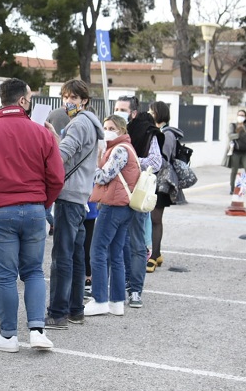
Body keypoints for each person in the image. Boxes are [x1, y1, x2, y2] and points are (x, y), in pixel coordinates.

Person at [0, 78, 64, 353]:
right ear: (22, 100)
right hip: (33, 208)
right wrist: (43, 204)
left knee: (5, 275)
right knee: (33, 272)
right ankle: (36, 330)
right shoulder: (42, 133)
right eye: (29, 98)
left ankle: (8, 335)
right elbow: (56, 176)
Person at [45, 79, 103, 330]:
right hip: (81, 195)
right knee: (78, 255)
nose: (68, 102)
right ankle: (75, 309)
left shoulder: (79, 123)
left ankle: (57, 312)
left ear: (84, 100)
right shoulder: (88, 123)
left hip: (69, 194)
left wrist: (51, 140)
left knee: (62, 256)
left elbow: (61, 155)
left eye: (73, 98)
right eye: (65, 97)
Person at [85, 115, 141, 317]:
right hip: (125, 206)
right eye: (105, 127)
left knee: (97, 250)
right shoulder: (129, 148)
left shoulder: (118, 150)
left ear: (122, 131)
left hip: (113, 206)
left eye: (112, 128)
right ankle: (117, 301)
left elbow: (103, 176)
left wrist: (94, 164)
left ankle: (100, 299)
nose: (107, 130)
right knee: (116, 253)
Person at [114, 96, 163, 306]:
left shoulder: (145, 131)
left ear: (133, 113)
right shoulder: (112, 130)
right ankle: (121, 282)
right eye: (116, 108)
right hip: (115, 194)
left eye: (122, 109)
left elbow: (156, 161)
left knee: (136, 243)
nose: (118, 112)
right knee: (117, 242)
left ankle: (135, 290)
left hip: (137, 194)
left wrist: (129, 159)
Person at [147, 101, 185, 273]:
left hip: (161, 182)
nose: (149, 112)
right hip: (153, 180)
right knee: (152, 218)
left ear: (159, 113)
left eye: (151, 110)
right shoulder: (158, 131)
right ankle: (157, 252)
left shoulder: (167, 134)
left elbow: (164, 159)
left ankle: (154, 256)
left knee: (156, 218)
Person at [228, 109, 246, 194]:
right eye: (239, 115)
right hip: (235, 152)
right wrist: (238, 133)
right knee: (234, 171)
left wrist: (244, 133)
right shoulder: (233, 125)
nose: (241, 117)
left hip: (245, 152)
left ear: (245, 117)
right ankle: (232, 188)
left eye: (242, 115)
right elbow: (230, 136)